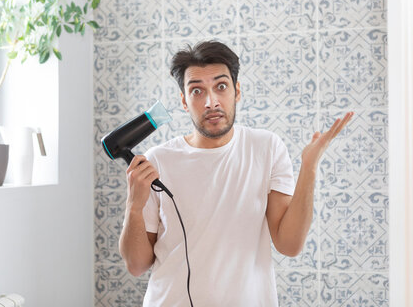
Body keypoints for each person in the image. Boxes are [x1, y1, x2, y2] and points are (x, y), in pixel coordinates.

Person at [118, 41, 353, 306]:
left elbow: (289, 245)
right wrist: (134, 206)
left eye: (221, 86)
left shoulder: (266, 147)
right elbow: (136, 266)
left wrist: (309, 168)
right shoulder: (157, 161)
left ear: (237, 91)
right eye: (197, 91)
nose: (211, 102)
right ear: (184, 101)